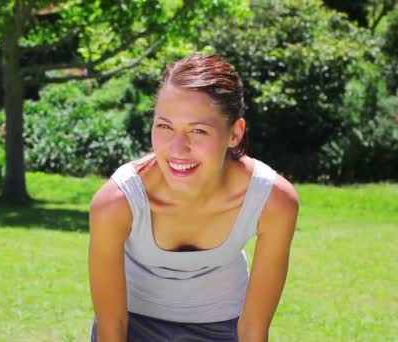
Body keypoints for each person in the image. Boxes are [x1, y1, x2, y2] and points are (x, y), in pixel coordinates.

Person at [88, 54, 299, 342]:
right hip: (134, 326)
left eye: (198, 130)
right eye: (164, 126)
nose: (177, 148)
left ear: (235, 133)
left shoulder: (273, 201)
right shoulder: (115, 203)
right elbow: (111, 328)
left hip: (224, 327)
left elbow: (253, 329)